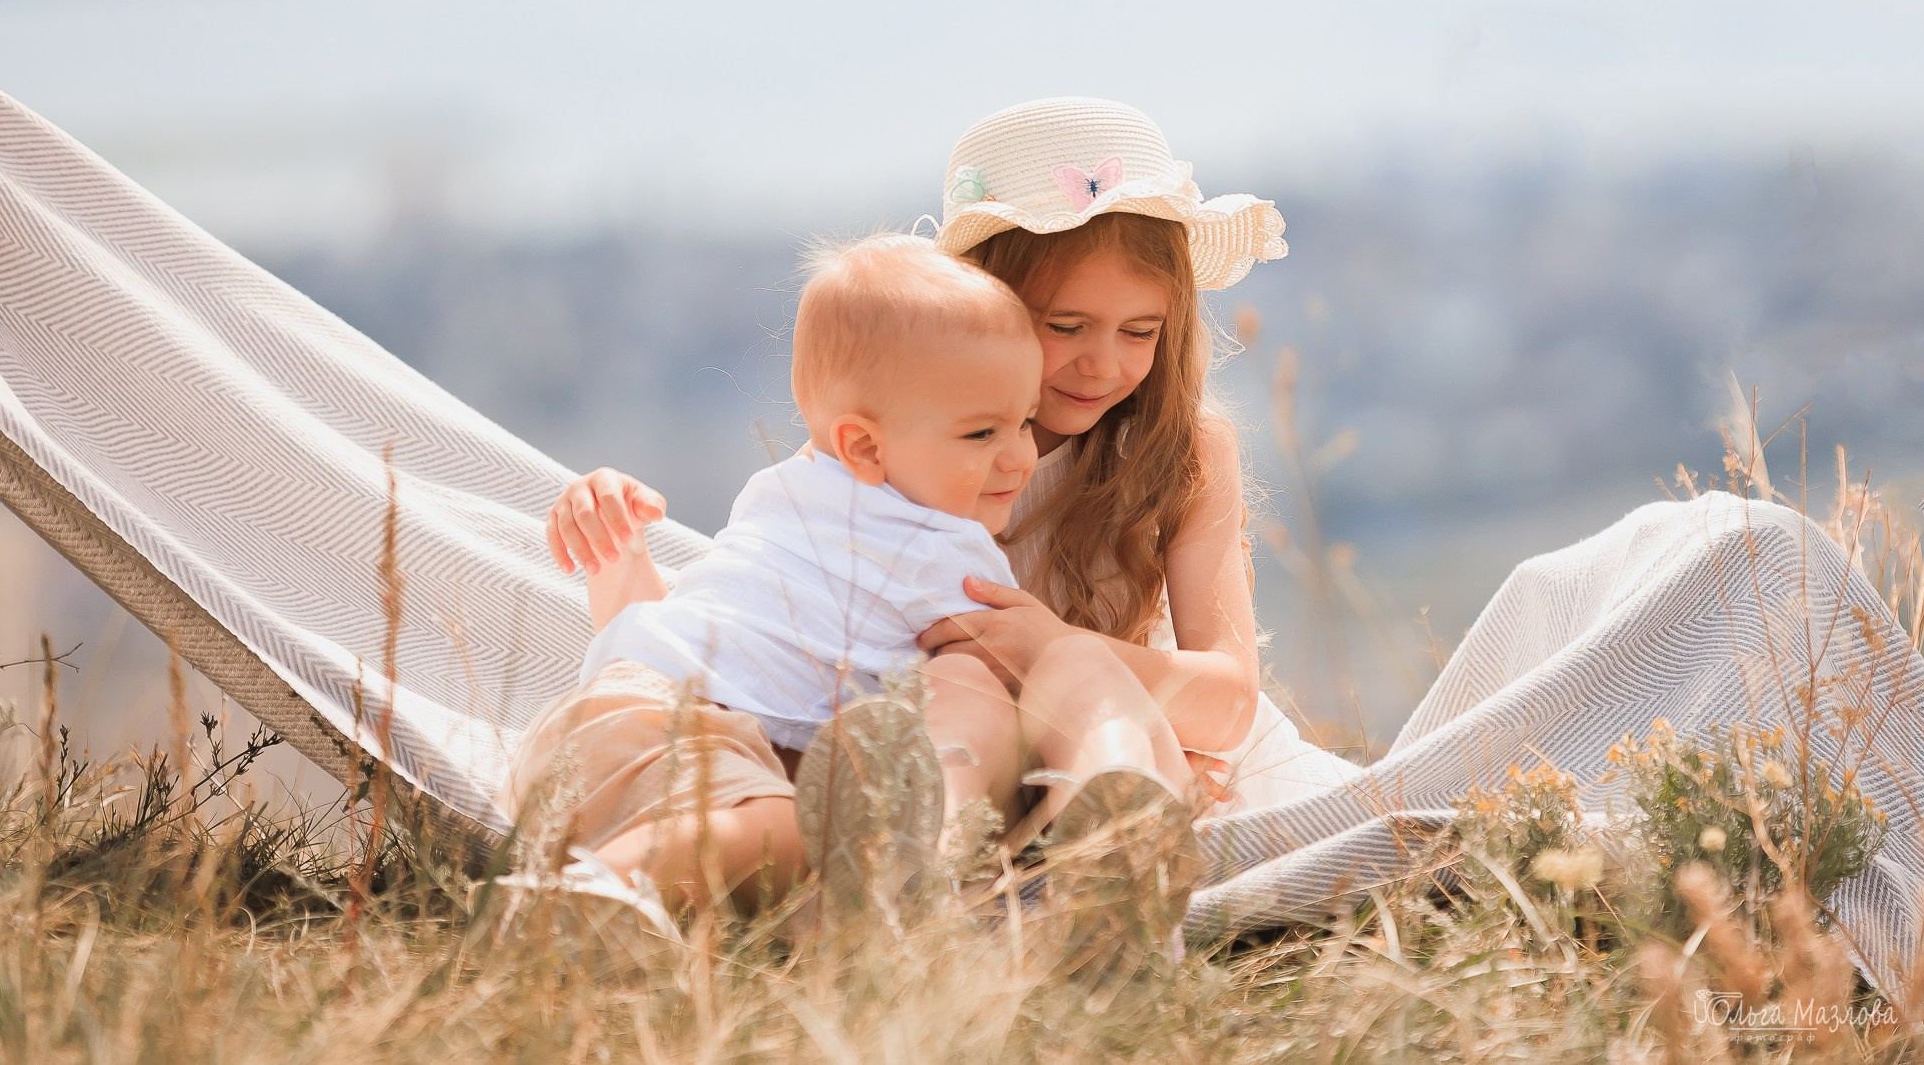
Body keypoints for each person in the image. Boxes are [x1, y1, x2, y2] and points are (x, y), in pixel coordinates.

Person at [547, 99, 1359, 950]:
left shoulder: (1187, 450)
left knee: (1066, 670)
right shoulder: (907, 444)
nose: (1103, 362)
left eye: (1140, 331)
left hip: (1132, 721)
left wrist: (1046, 645)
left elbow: (1230, 698)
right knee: (957, 703)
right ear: (984, 308)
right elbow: (775, 632)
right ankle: (941, 871)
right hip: (947, 760)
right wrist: (621, 558)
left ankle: (1117, 820)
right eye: (1065, 326)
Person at [502, 233, 1042, 913]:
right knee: (804, 834)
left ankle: (605, 892)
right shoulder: (947, 551)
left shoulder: (786, 496)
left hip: (597, 731)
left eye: (1025, 421)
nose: (1021, 456)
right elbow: (1021, 693)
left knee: (775, 831)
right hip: (676, 735)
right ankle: (575, 898)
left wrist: (621, 552)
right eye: (982, 434)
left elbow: (652, 636)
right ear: (864, 445)